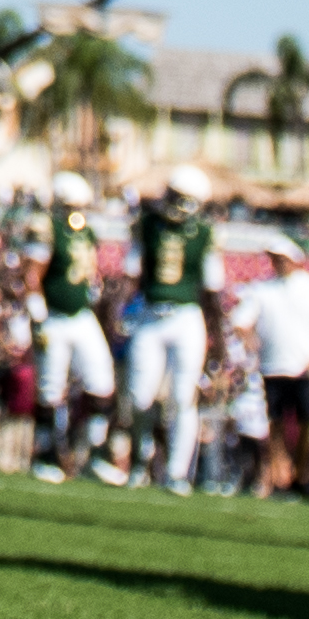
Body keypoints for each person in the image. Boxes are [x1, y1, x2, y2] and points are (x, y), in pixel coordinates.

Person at [122, 167, 223, 489]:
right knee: (139, 397)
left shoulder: (205, 233)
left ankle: (177, 472)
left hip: (186, 317)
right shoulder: (147, 226)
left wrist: (218, 337)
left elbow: (213, 289)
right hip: (150, 315)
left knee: (183, 397)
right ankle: (140, 461)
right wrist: (121, 313)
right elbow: (131, 273)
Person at [238, 226, 309, 500]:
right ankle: (280, 475)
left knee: (307, 421)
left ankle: (302, 475)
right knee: (276, 423)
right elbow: (242, 321)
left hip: (306, 368)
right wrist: (250, 340)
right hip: (273, 366)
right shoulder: (262, 289)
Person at [26, 179, 113, 482]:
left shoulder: (86, 232)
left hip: (82, 315)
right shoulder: (47, 228)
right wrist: (37, 314)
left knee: (101, 380)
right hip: (54, 317)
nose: (78, 212)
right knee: (50, 388)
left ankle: (96, 451)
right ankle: (46, 454)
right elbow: (32, 274)